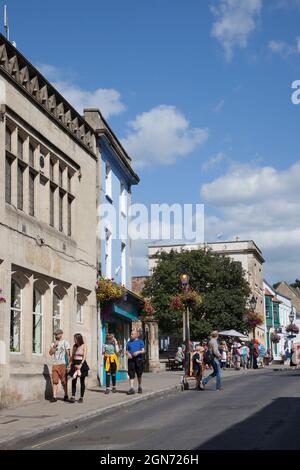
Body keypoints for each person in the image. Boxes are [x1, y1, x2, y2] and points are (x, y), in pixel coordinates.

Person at [49, 329, 70, 403]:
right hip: (55, 364)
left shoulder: (65, 342)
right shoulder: (53, 343)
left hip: (62, 364)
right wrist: (54, 346)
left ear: (61, 334)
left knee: (64, 381)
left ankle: (66, 395)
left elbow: (68, 354)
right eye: (55, 335)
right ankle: (54, 397)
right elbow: (50, 353)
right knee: (55, 381)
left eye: (57, 334)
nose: (55, 336)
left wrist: (69, 365)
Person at [68, 333, 89, 403]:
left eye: (75, 339)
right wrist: (70, 364)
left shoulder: (84, 346)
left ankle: (81, 397)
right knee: (74, 380)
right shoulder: (74, 346)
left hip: (81, 363)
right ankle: (73, 396)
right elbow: (72, 356)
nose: (74, 340)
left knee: (82, 381)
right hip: (75, 363)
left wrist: (81, 364)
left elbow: (85, 356)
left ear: (78, 339)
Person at [126, 330, 145, 395]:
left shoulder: (140, 342)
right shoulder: (128, 343)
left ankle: (139, 386)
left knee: (139, 374)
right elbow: (126, 351)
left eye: (132, 334)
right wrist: (128, 354)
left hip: (138, 360)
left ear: (136, 335)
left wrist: (138, 352)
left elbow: (143, 351)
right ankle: (131, 388)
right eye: (131, 334)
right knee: (131, 374)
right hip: (131, 360)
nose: (131, 335)